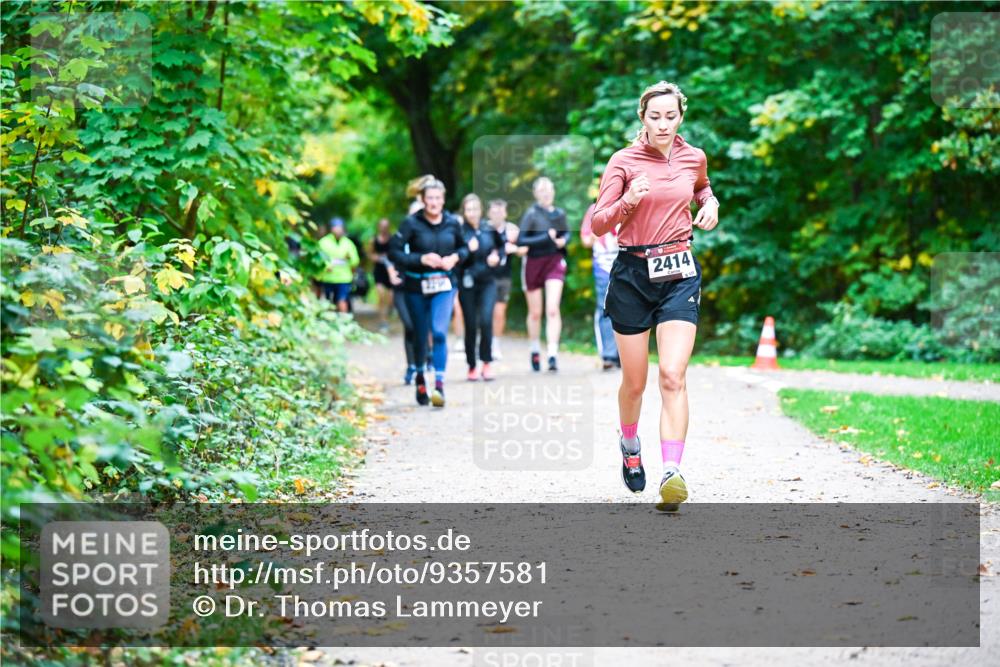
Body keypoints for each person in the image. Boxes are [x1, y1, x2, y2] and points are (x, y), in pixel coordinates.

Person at [590, 80, 719, 510]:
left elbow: (701, 186)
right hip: (632, 273)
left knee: (673, 375)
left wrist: (710, 200)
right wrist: (628, 200)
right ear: (642, 118)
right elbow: (599, 223)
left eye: (670, 116)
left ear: (681, 116)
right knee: (635, 383)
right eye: (654, 116)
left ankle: (671, 472)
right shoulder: (623, 161)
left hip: (679, 271)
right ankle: (630, 445)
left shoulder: (692, 156)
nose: (663, 124)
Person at [388, 177, 469, 408]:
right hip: (416, 287)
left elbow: (463, 248)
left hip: (444, 285)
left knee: (439, 332)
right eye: (429, 198)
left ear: (443, 200)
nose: (434, 202)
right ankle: (421, 378)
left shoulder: (453, 223)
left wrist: (455, 257)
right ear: (423, 200)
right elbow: (394, 252)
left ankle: (440, 386)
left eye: (437, 198)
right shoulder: (411, 224)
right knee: (421, 334)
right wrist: (420, 258)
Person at [516, 177, 569, 372]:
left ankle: (553, 354)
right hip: (533, 263)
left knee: (553, 309)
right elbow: (522, 240)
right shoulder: (531, 214)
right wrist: (545, 237)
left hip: (554, 262)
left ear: (553, 192)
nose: (546, 193)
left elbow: (566, 234)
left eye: (549, 189)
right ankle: (535, 349)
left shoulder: (559, 214)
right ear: (536, 193)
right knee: (536, 313)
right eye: (542, 190)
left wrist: (563, 240)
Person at [457, 194, 505, 381]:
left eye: (475, 209)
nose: (473, 213)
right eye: (469, 209)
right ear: (464, 211)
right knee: (470, 325)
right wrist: (468, 250)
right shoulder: (459, 231)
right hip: (467, 283)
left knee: (486, 321)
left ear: (481, 211)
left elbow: (502, 248)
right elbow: (455, 256)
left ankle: (486, 362)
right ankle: (471, 365)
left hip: (487, 282)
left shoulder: (489, 228)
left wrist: (497, 257)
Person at [580, 202, 621, 370]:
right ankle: (608, 355)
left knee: (625, 309)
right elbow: (585, 240)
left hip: (625, 266)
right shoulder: (594, 209)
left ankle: (622, 354)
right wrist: (595, 236)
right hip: (603, 267)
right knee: (605, 309)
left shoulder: (627, 203)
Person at [487, 199, 522, 361]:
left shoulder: (512, 230)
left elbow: (525, 249)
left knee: (499, 312)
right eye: (494, 212)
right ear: (489, 213)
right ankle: (483, 343)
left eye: (500, 212)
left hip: (503, 276)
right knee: (484, 312)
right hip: (485, 277)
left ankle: (495, 344)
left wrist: (513, 248)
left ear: (505, 213)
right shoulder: (483, 229)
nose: (497, 215)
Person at [316, 217, 360, 313]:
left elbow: (355, 261)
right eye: (336, 227)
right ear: (331, 229)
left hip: (344, 278)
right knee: (329, 302)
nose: (338, 230)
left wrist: (350, 259)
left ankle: (344, 322)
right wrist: (328, 266)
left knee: (342, 300)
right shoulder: (323, 242)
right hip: (328, 278)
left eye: (340, 228)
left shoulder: (348, 243)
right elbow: (318, 259)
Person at [371, 218, 394, 331]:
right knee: (380, 295)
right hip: (379, 270)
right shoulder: (374, 240)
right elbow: (370, 254)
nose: (384, 228)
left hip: (390, 271)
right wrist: (376, 257)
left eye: (386, 225)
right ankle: (383, 321)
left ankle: (388, 314)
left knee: (391, 298)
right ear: (379, 226)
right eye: (382, 225)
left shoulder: (393, 239)